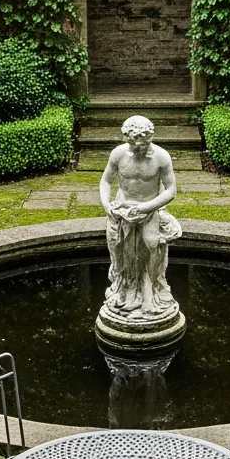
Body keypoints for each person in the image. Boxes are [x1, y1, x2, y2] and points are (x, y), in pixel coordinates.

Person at [98, 114, 182, 318]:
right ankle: (124, 290)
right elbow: (106, 181)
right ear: (127, 138)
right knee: (121, 254)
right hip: (122, 211)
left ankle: (150, 292)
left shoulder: (162, 157)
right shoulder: (118, 154)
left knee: (151, 250)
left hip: (149, 210)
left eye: (143, 143)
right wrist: (106, 204)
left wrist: (146, 207)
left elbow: (171, 190)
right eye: (133, 143)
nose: (138, 147)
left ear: (149, 138)